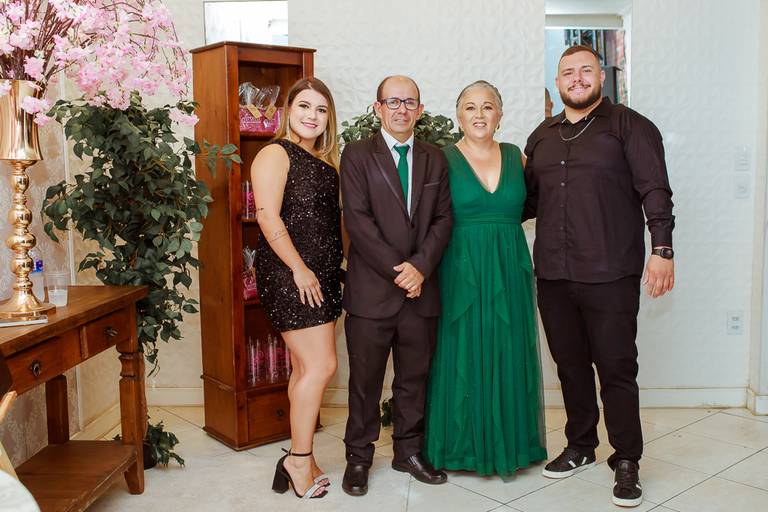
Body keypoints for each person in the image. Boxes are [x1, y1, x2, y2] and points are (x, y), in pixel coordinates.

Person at [524, 45, 675, 508]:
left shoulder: (630, 126)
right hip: (553, 274)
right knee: (569, 367)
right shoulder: (541, 137)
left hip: (611, 272)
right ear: (557, 81)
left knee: (615, 368)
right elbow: (525, 203)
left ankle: (626, 458)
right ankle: (581, 445)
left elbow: (655, 189)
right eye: (567, 72)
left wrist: (662, 250)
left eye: (585, 70)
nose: (577, 78)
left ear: (601, 77)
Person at [423, 80, 547, 476]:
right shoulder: (442, 158)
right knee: (462, 349)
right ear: (458, 116)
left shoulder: (516, 156)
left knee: (509, 347)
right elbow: (426, 217)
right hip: (461, 267)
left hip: (509, 266)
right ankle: (463, 448)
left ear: (500, 115)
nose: (479, 114)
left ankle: (511, 443)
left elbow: (537, 203)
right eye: (471, 107)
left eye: (488, 106)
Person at [340, 75, 453, 496]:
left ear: (420, 110)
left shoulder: (435, 158)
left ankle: (408, 451)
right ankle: (358, 457)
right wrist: (401, 271)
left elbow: (443, 219)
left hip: (420, 293)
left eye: (409, 102)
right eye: (393, 101)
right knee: (364, 382)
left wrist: (420, 268)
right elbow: (358, 222)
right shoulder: (356, 155)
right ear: (378, 108)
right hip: (372, 293)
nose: (401, 109)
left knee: (414, 379)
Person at [252, 77, 343, 500]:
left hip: (321, 275)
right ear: (288, 110)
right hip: (293, 275)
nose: (312, 116)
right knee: (322, 366)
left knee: (305, 369)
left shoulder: (323, 160)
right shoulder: (275, 153)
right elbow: (267, 216)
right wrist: (300, 269)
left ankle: (298, 455)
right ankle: (298, 461)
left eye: (321, 109)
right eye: (304, 106)